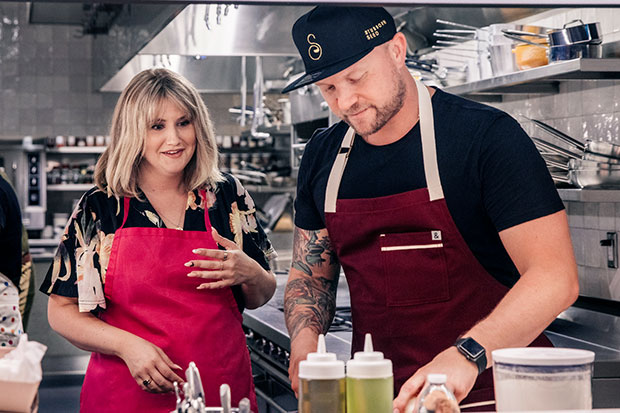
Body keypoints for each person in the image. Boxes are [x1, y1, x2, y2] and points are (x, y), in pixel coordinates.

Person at [282, 6, 579, 412]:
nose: (345, 101)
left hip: (493, 395)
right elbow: (310, 276)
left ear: (396, 50)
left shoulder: (485, 137)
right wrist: (304, 343)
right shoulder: (323, 155)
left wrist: (468, 355)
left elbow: (555, 278)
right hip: (384, 398)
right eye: (328, 88)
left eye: (356, 77)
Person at [39, 68, 277, 412]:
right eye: (157, 126)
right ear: (133, 132)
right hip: (126, 393)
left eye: (183, 122)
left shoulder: (227, 195)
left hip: (218, 390)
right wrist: (127, 346)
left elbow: (261, 295)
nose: (174, 139)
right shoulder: (101, 206)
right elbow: (61, 312)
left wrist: (251, 273)